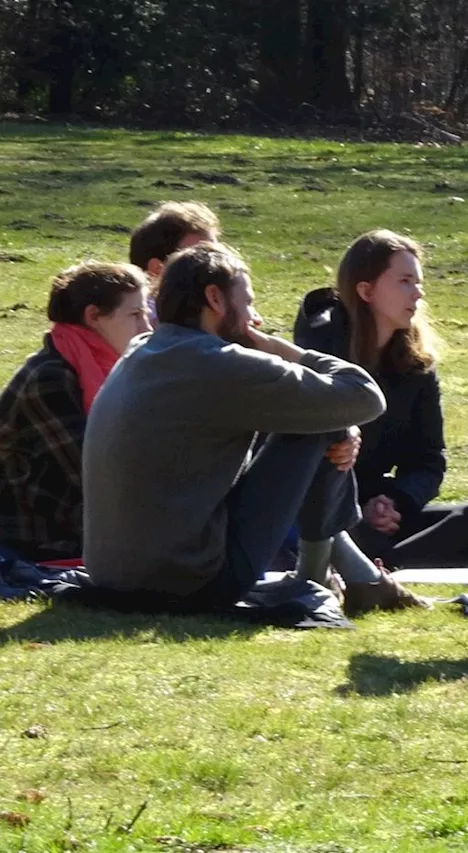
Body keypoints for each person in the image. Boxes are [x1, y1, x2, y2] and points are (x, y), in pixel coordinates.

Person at [82, 243, 427, 615]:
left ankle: (355, 576)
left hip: (109, 576)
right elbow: (364, 395)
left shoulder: (142, 349)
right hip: (190, 582)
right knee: (321, 421)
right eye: (247, 303)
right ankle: (320, 580)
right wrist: (278, 349)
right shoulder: (218, 362)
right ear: (215, 298)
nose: (255, 319)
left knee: (319, 413)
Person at [294, 230, 468, 569]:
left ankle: (377, 564)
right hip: (313, 510)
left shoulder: (417, 366)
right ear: (366, 290)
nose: (418, 293)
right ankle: (373, 564)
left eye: (419, 282)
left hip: (376, 509)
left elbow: (428, 458)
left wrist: (395, 501)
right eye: (405, 281)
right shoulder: (317, 352)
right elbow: (301, 454)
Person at [0, 263, 151, 562]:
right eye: (135, 315)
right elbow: (93, 472)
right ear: (93, 316)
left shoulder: (109, 368)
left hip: (75, 524)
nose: (147, 327)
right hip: (39, 537)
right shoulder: (49, 378)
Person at [130, 201, 221, 318]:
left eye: (218, 254)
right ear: (158, 270)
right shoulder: (145, 324)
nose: (217, 264)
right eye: (201, 257)